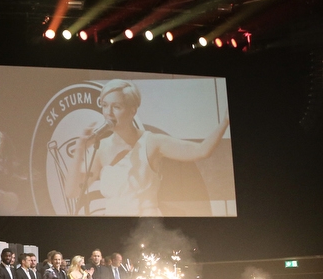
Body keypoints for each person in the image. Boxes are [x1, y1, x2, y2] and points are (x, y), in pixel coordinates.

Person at [65, 79, 230, 216]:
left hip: (146, 226)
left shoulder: (152, 142)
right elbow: (73, 192)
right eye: (104, 105)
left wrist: (225, 122)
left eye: (116, 107)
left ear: (132, 110)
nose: (108, 112)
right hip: (113, 227)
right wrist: (80, 149)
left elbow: (202, 150)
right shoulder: (101, 149)